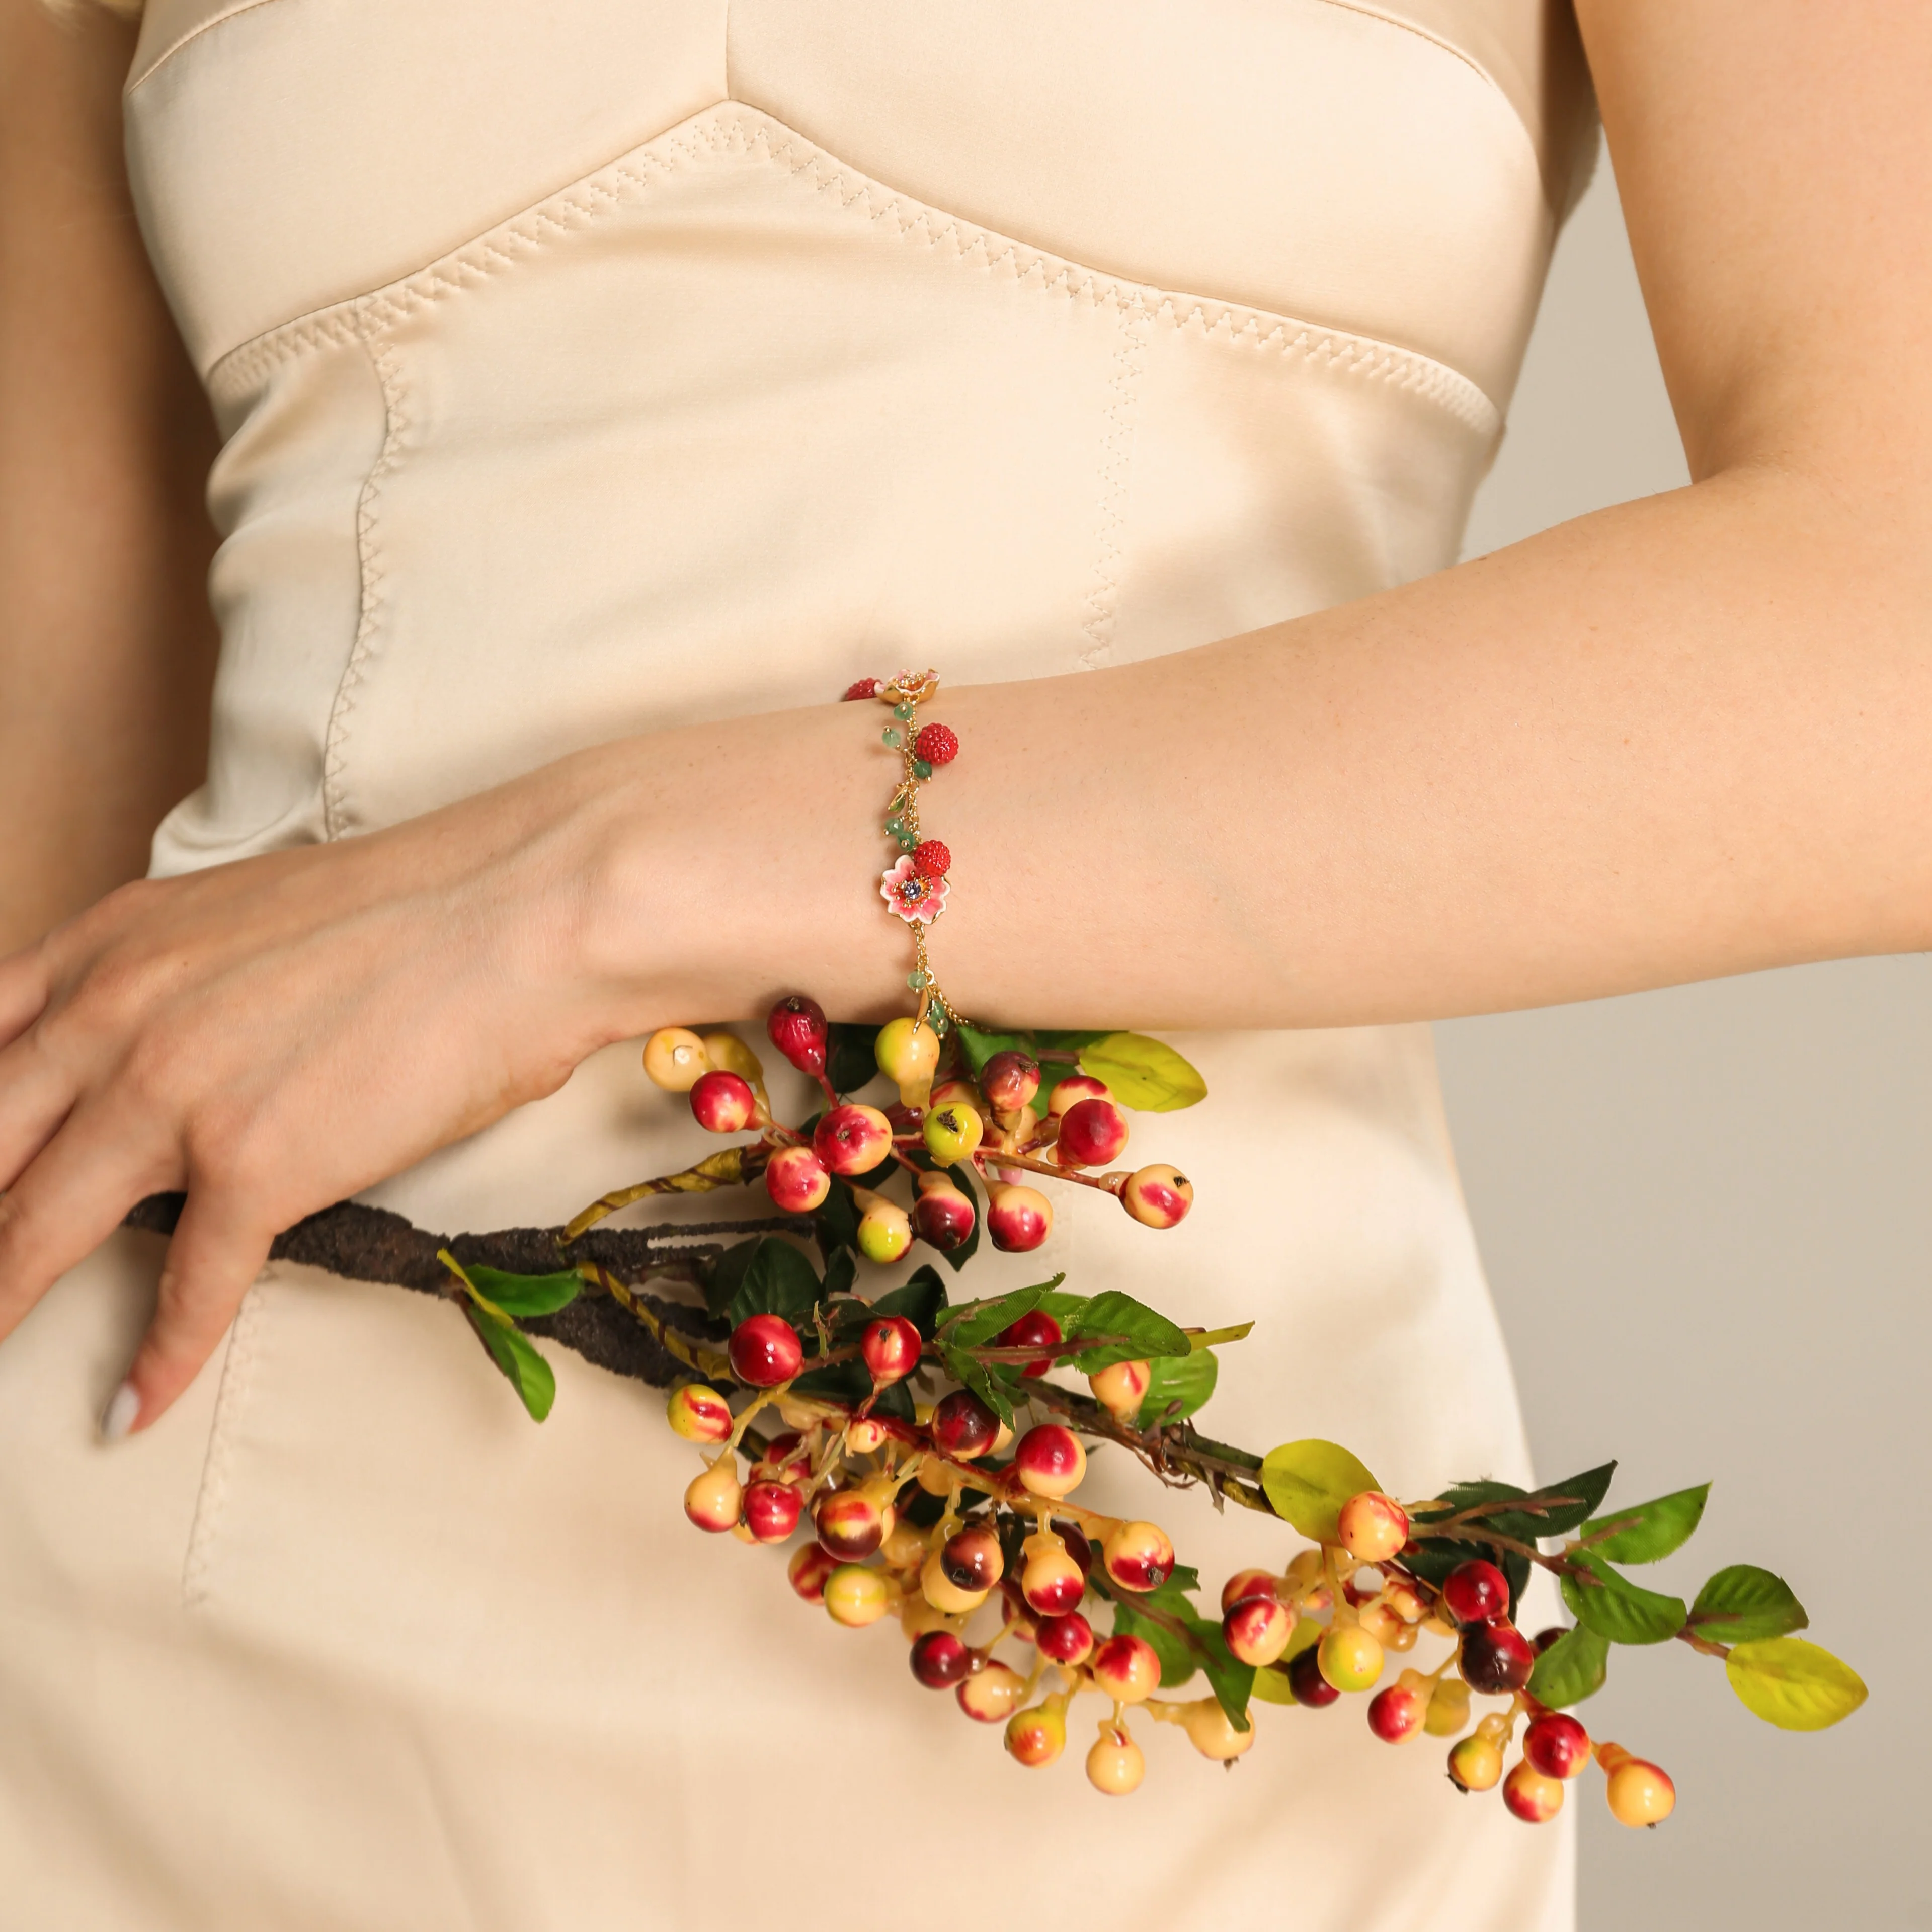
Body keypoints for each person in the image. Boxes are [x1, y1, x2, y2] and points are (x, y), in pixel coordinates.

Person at [1, 1, 1925, 1925]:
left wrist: (569, 890)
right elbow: (71, 834)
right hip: (152, 1573)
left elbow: (1887, 642)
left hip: (1126, 1638)